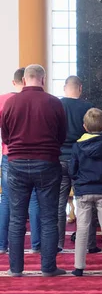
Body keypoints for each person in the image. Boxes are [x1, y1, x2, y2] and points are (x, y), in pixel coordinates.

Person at [1, 64, 67, 277]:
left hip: (17, 163)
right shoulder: (54, 103)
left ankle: (15, 268)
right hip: (47, 163)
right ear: (43, 79)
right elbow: (62, 135)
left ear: (24, 79)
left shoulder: (11, 103)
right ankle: (48, 267)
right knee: (48, 218)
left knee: (17, 219)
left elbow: (6, 136)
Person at [70, 108, 102, 276]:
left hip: (83, 191)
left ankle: (79, 267)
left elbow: (72, 170)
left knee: (82, 228)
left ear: (85, 126)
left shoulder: (77, 146)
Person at [0, 68, 41, 254]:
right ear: (26, 81)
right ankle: (36, 245)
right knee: (34, 199)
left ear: (15, 81)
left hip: (10, 154)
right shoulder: (37, 99)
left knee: (7, 200)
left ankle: (2, 245)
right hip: (35, 154)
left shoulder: (3, 100)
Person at [58, 75, 95, 252]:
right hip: (82, 159)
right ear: (80, 88)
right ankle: (88, 243)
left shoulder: (57, 105)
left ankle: (57, 243)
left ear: (65, 88)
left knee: (59, 202)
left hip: (60, 158)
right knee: (84, 202)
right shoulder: (88, 107)